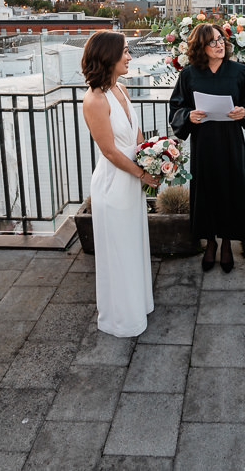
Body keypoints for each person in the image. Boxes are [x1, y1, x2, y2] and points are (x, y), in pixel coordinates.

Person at [169, 22, 245, 273]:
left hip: (231, 143)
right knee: (207, 193)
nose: (219, 45)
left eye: (221, 40)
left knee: (231, 192)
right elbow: (177, 108)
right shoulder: (189, 75)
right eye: (212, 41)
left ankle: (226, 244)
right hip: (203, 145)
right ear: (201, 46)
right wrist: (188, 116)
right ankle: (210, 242)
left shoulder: (240, 72)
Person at [81, 31, 158, 337]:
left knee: (133, 246)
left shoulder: (121, 88)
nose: (129, 56)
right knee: (118, 252)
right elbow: (110, 152)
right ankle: (122, 318)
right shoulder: (94, 100)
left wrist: (153, 158)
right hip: (113, 184)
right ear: (108, 56)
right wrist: (143, 174)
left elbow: (136, 134)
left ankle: (138, 304)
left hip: (132, 179)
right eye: (125, 51)